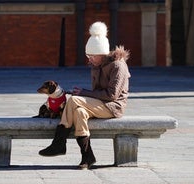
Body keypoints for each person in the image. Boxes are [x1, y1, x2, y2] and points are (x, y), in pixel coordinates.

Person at [39, 21, 131, 170]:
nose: (89, 59)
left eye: (92, 55)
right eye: (88, 55)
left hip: (114, 107)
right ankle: (87, 156)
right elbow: (97, 94)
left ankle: (59, 143)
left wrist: (83, 93)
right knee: (79, 111)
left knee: (75, 100)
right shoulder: (96, 66)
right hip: (100, 104)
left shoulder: (118, 66)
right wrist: (82, 94)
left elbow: (112, 95)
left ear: (102, 54)